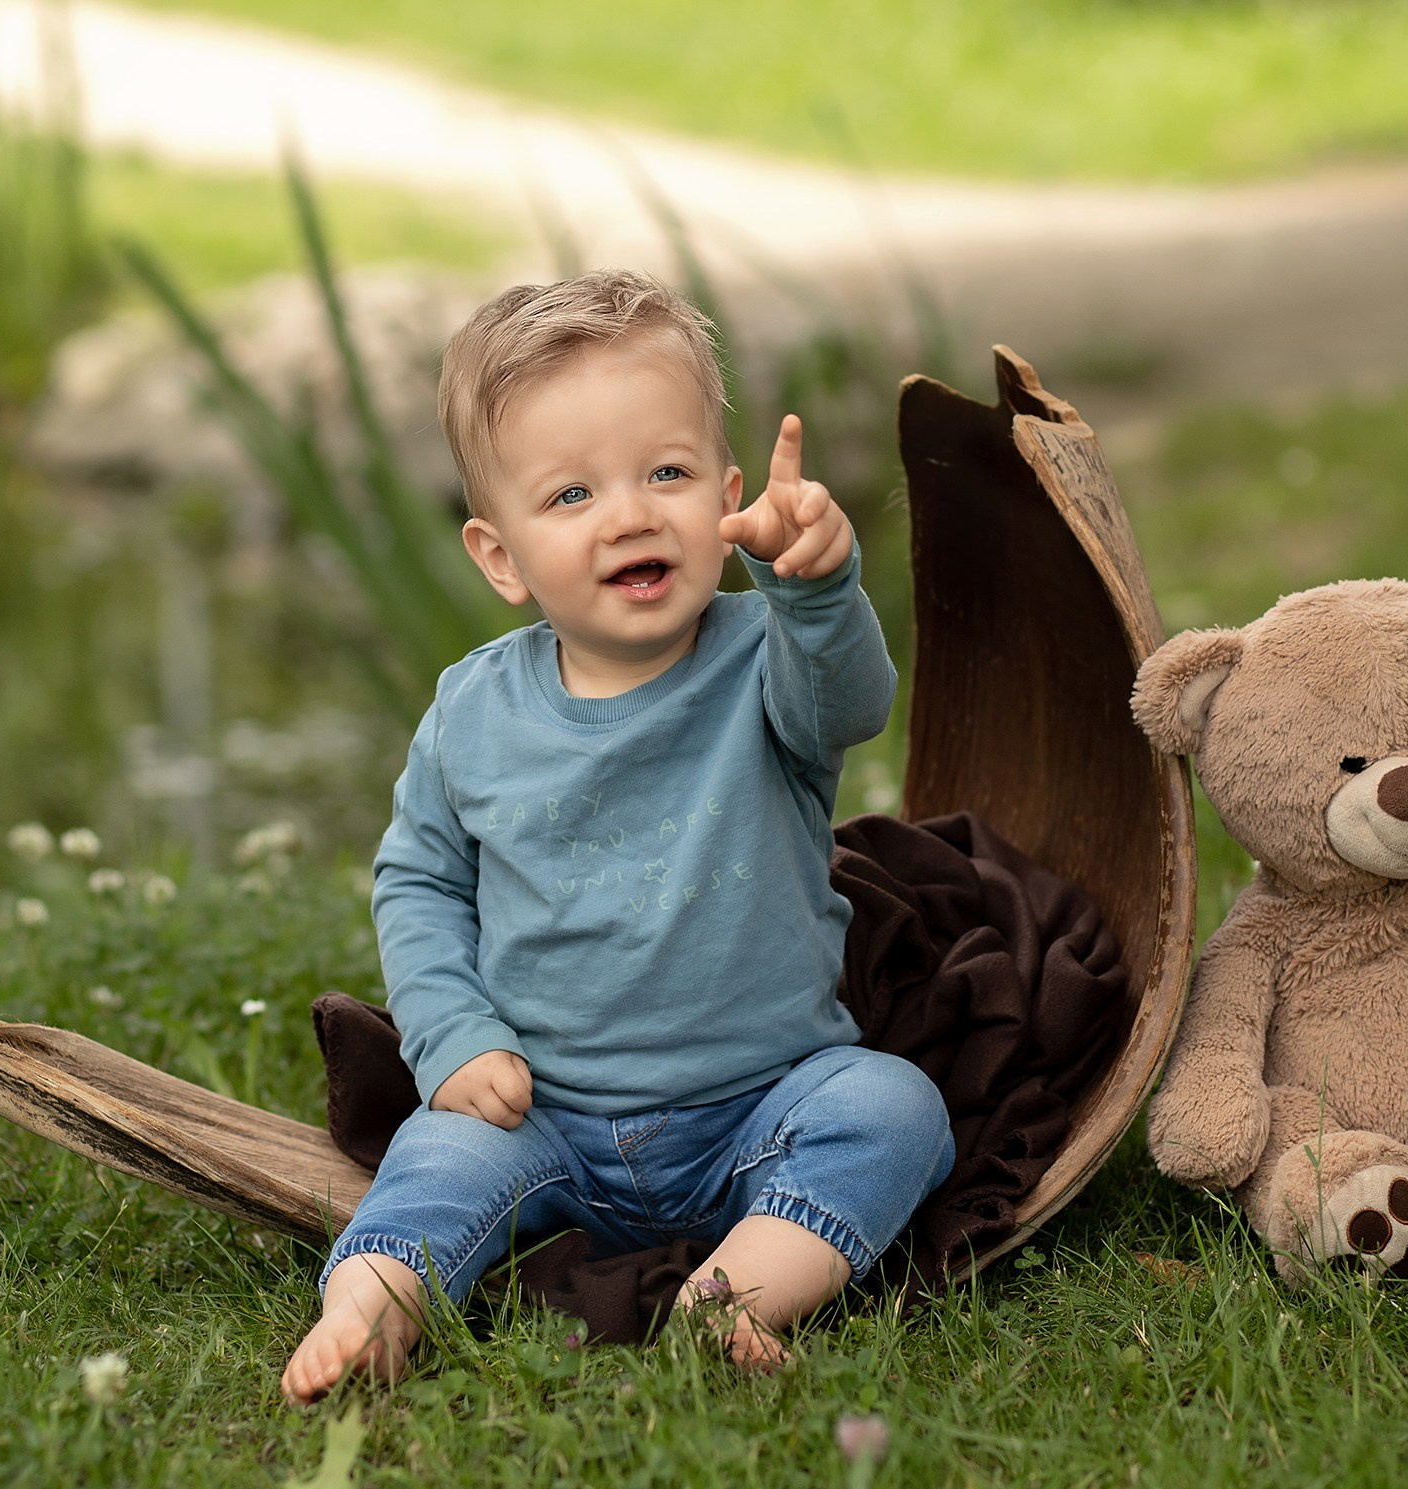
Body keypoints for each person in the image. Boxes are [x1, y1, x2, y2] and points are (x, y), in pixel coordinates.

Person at [281, 269, 955, 1403]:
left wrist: (818, 586)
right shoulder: (473, 713)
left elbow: (850, 705)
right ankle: (373, 1307)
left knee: (893, 1108)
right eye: (570, 495)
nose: (631, 513)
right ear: (499, 557)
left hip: (762, 1098)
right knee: (433, 1163)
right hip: (542, 1114)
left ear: (727, 496)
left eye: (667, 473)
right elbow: (419, 883)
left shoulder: (762, 662)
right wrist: (449, 1037)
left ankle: (727, 1295)